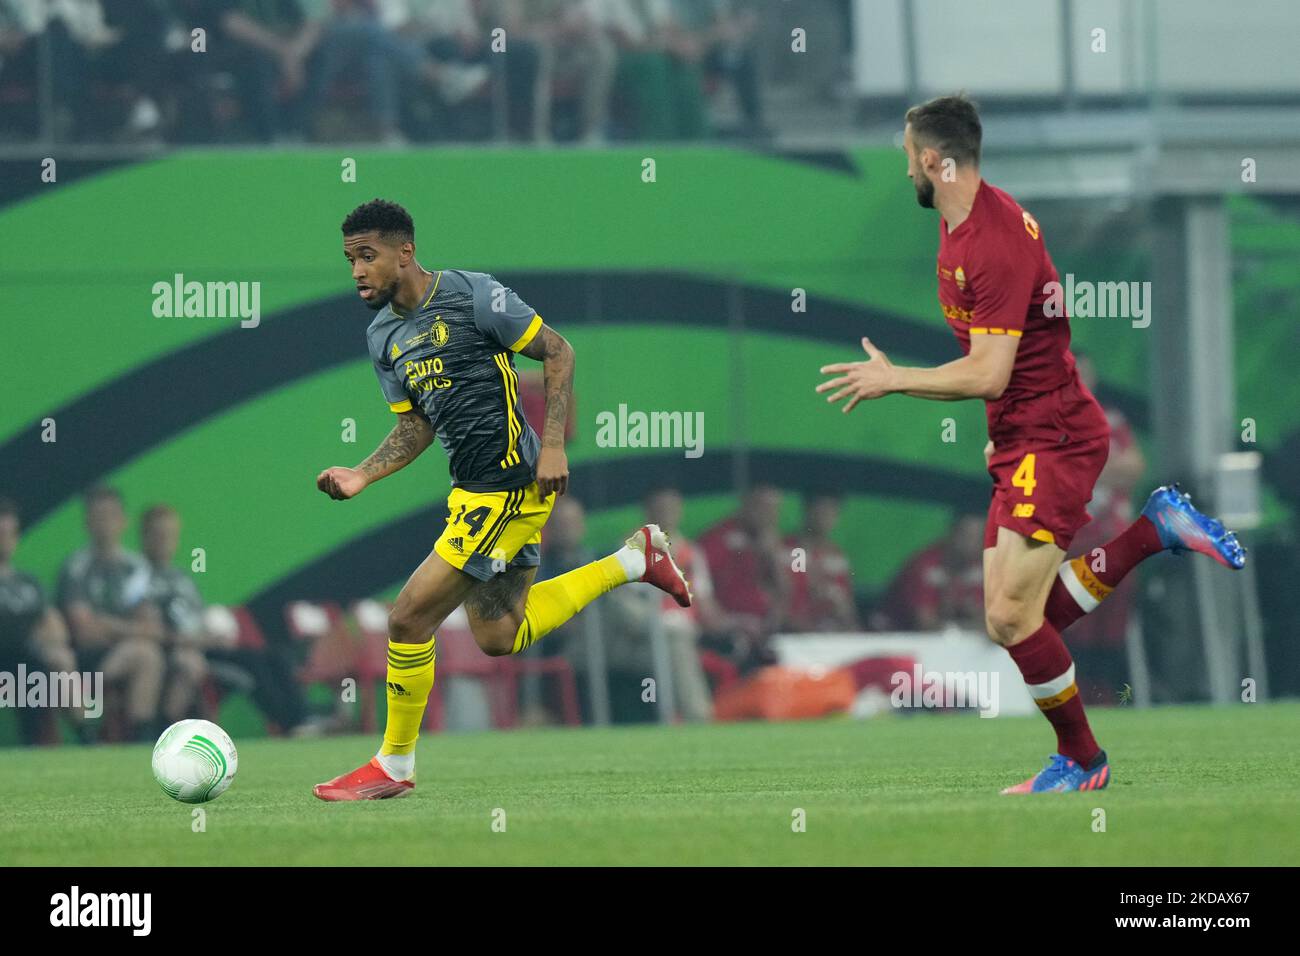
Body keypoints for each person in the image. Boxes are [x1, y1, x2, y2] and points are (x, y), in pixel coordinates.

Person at [816, 93, 1245, 794]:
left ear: (932, 159)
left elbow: (990, 371)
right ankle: (1150, 531)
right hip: (1024, 437)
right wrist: (1000, 437)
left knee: (1013, 618)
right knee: (1015, 618)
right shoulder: (961, 230)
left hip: (1055, 436)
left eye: (906, 157)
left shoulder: (992, 242)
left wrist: (895, 379)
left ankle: (1083, 759)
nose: (904, 171)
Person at [312, 198, 692, 800]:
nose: (357, 270)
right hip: (471, 493)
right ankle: (635, 560)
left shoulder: (474, 296)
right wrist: (362, 474)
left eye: (367, 255)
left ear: (404, 252)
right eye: (349, 259)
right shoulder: (383, 335)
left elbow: (559, 351)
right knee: (499, 636)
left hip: (512, 486)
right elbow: (416, 426)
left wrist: (556, 446)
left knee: (408, 617)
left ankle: (394, 766)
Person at [58, 487, 167, 742]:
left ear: (123, 521)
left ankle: (140, 739)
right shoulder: (76, 567)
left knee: (146, 653)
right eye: (97, 516)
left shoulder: (136, 568)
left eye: (110, 515)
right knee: (142, 650)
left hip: (128, 650)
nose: (104, 523)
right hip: (84, 657)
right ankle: (89, 739)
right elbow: (84, 632)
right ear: (87, 523)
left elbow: (153, 629)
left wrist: (108, 624)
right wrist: (129, 628)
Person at [0, 499, 79, 745]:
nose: (6, 540)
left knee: (59, 657)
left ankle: (84, 732)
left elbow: (55, 627)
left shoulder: (28, 583)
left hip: (28, 661)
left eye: (10, 533)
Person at [877, 512, 985, 633]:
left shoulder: (980, 568)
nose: (972, 544)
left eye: (979, 538)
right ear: (952, 534)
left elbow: (987, 619)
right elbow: (924, 623)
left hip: (946, 636)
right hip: (894, 633)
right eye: (967, 536)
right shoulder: (927, 565)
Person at [784, 493, 859, 632]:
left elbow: (848, 610)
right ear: (808, 509)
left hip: (830, 634)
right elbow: (786, 600)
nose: (826, 517)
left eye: (833, 511)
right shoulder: (790, 550)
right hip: (797, 633)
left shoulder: (837, 556)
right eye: (822, 509)